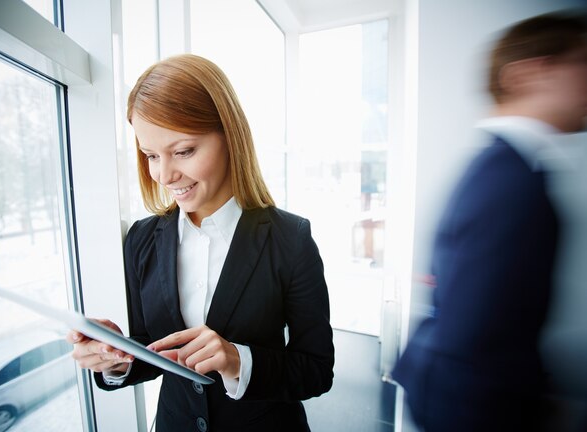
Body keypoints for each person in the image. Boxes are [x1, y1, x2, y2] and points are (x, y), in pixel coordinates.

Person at [67, 54, 334, 432]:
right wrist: (118, 357)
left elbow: (317, 370)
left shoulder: (291, 239)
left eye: (183, 151)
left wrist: (237, 360)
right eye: (150, 156)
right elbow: (151, 346)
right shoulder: (142, 239)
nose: (164, 174)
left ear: (229, 136)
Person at [392, 11, 587, 432]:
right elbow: (474, 334)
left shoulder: (506, 169)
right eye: (581, 62)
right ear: (528, 75)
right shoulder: (509, 181)